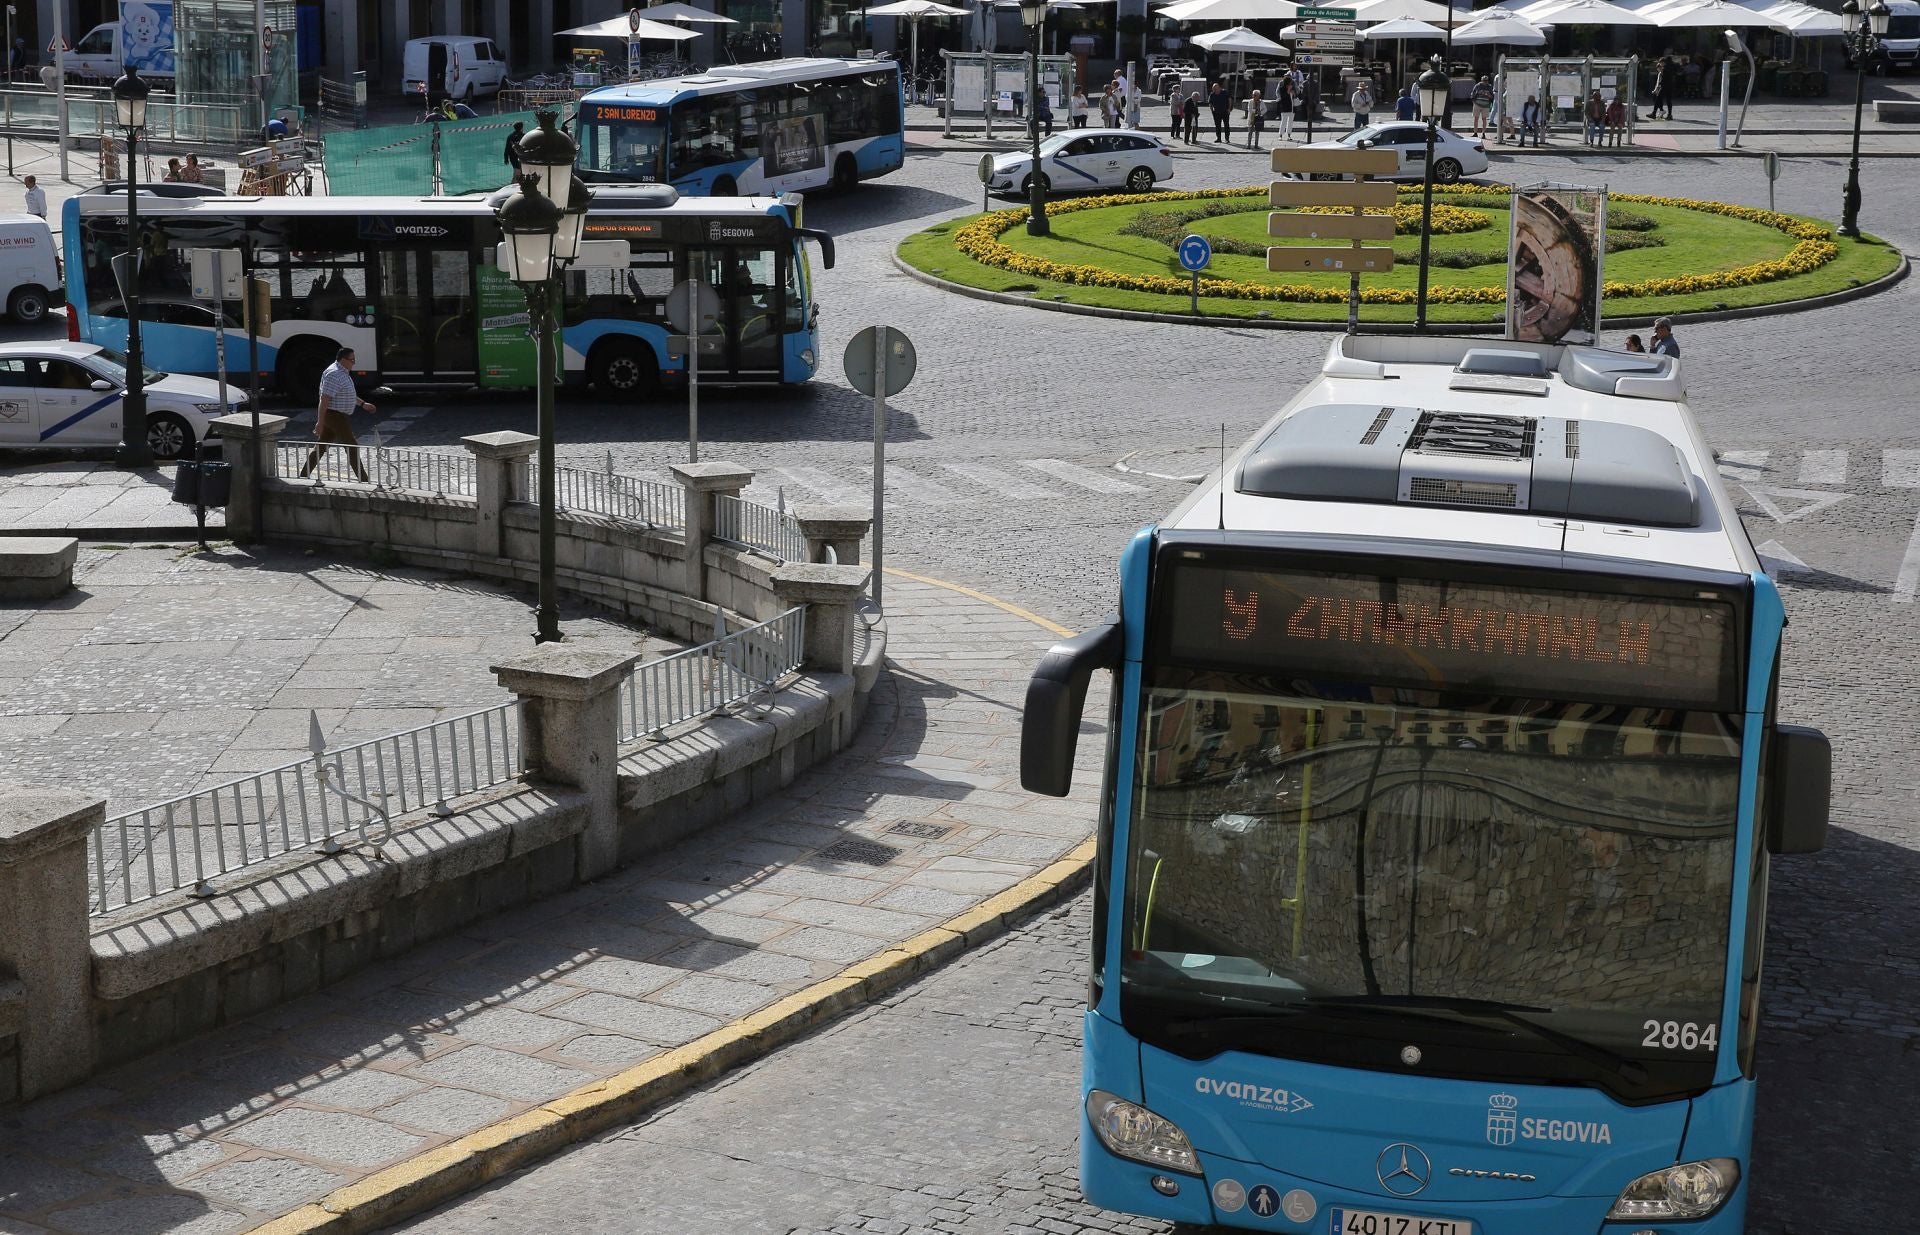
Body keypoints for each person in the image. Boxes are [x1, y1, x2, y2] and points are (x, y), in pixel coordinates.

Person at [300, 347, 377, 483]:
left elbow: (347, 394)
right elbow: (324, 400)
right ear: (343, 360)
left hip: (336, 415)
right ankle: (364, 480)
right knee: (352, 446)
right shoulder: (334, 374)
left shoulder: (342, 372)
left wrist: (363, 404)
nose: (354, 362)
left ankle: (303, 475)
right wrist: (319, 422)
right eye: (352, 359)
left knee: (321, 446)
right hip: (335, 415)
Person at [1274, 75, 1295, 142]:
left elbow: (1296, 95)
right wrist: (1288, 90)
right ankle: (1280, 135)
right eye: (1290, 83)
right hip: (1284, 107)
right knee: (1283, 121)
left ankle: (1289, 135)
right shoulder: (1282, 88)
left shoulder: (1292, 87)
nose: (1290, 84)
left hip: (1292, 107)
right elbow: (1283, 97)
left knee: (1290, 122)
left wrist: (1293, 93)